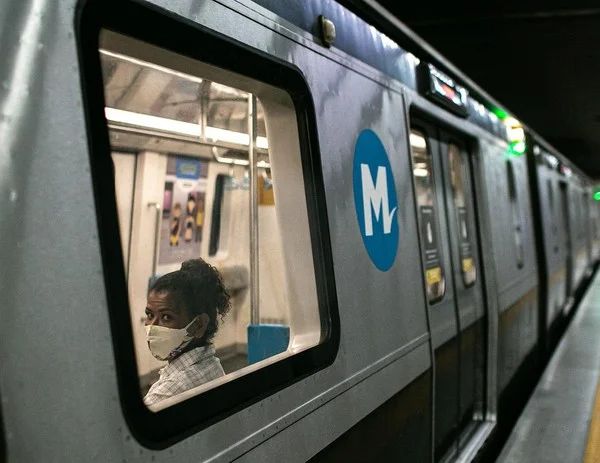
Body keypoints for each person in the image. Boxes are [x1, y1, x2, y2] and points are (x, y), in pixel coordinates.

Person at [143, 258, 231, 406]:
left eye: (166, 317)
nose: (152, 326)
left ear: (198, 325)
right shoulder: (212, 366)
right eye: (150, 315)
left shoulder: (167, 393)